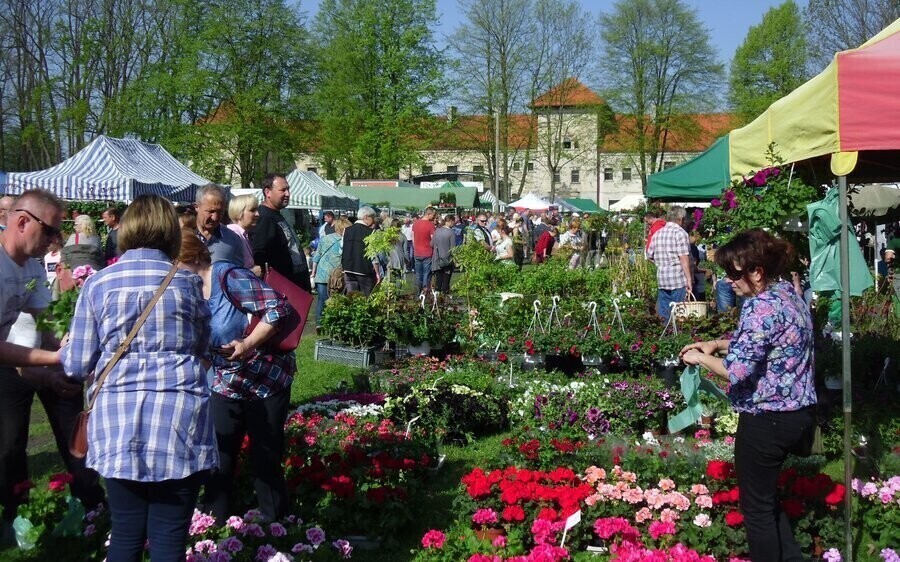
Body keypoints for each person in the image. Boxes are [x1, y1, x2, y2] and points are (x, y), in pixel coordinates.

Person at [60, 195, 218, 561]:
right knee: (169, 537)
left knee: (126, 533)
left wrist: (68, 347)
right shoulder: (187, 284)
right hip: (179, 418)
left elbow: (77, 364)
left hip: (118, 420)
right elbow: (204, 347)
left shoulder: (98, 284)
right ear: (170, 232)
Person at [680, 229, 815, 562]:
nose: (728, 281)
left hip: (765, 420)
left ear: (756, 271)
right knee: (767, 501)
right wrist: (718, 344)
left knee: (757, 511)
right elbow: (770, 344)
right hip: (796, 415)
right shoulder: (787, 293)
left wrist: (700, 357)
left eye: (733, 273)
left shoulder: (760, 308)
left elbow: (736, 370)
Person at [176, 230, 294, 525]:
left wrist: (246, 344)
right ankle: (216, 525)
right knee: (219, 455)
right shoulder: (188, 289)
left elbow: (278, 308)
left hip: (264, 380)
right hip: (226, 382)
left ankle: (275, 524)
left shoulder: (228, 276)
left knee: (264, 457)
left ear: (189, 258)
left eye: (173, 266)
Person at [0, 191, 92, 545]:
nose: (57, 240)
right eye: (52, 230)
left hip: (13, 362)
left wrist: (67, 346)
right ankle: (11, 515)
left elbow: (46, 322)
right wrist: (57, 360)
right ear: (23, 222)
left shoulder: (31, 265)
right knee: (9, 446)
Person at [252, 174, 312, 292]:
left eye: (288, 189)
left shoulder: (277, 215)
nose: (288, 194)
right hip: (283, 289)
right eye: (283, 190)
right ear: (268, 192)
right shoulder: (264, 217)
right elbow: (259, 253)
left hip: (295, 286)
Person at [647, 206, 692, 320]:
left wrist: (661, 264)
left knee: (665, 316)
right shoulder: (680, 233)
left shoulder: (657, 234)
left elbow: (649, 255)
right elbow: (683, 258)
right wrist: (689, 279)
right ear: (680, 219)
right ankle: (678, 336)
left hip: (662, 279)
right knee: (679, 315)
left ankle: (665, 336)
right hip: (678, 279)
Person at [196, 183, 250, 267]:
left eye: (220, 212)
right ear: (196, 207)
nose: (215, 217)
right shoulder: (180, 236)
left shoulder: (233, 239)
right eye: (210, 211)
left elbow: (238, 273)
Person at [311, 218, 348, 328]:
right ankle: (332, 323)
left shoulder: (325, 238)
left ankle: (319, 324)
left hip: (322, 272)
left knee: (321, 299)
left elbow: (317, 256)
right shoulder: (344, 241)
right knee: (336, 298)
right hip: (336, 275)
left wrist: (313, 272)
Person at [341, 206, 380, 296]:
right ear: (366, 217)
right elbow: (373, 255)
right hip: (364, 270)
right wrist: (377, 273)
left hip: (348, 269)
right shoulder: (371, 232)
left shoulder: (346, 230)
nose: (373, 220)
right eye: (373, 217)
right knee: (366, 299)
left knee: (352, 299)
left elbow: (341, 249)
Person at [226, 194, 262, 275]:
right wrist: (251, 272)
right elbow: (227, 270)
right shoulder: (232, 234)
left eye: (257, 209)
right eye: (252, 210)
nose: (257, 214)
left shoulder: (243, 234)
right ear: (239, 213)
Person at [412, 207, 437, 295]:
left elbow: (413, 239)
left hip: (417, 252)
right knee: (426, 274)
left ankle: (418, 293)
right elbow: (433, 240)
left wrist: (415, 248)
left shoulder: (415, 224)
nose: (434, 217)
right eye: (433, 215)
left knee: (418, 274)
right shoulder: (430, 225)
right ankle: (425, 292)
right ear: (428, 214)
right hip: (427, 252)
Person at [432, 215, 457, 294]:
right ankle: (444, 296)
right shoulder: (451, 232)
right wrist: (456, 260)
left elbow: (431, 244)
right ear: (451, 221)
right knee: (446, 279)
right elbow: (453, 248)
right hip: (447, 259)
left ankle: (437, 295)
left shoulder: (437, 231)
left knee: (438, 279)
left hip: (437, 258)